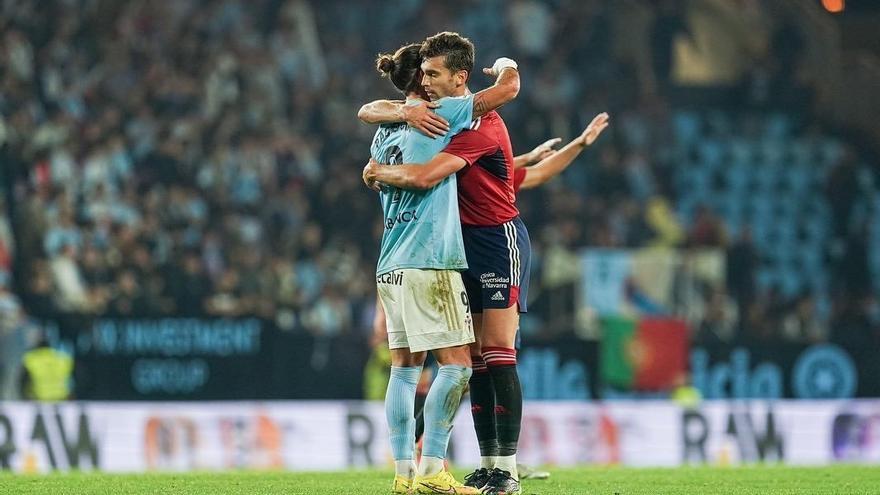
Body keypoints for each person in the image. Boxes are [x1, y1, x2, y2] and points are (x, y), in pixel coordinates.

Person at [362, 40, 522, 495]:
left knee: (403, 370)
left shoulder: (385, 132)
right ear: (422, 84)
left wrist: (375, 171)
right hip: (429, 262)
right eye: (428, 75)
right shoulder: (443, 115)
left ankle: (402, 475)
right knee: (457, 367)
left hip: (389, 264)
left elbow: (369, 111)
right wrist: (505, 64)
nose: (433, 83)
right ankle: (433, 469)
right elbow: (508, 88)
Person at [20, 337, 73, 402]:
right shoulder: (63, 359)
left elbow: (23, 381)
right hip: (61, 399)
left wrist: (25, 397)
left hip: (39, 400)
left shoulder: (31, 359)